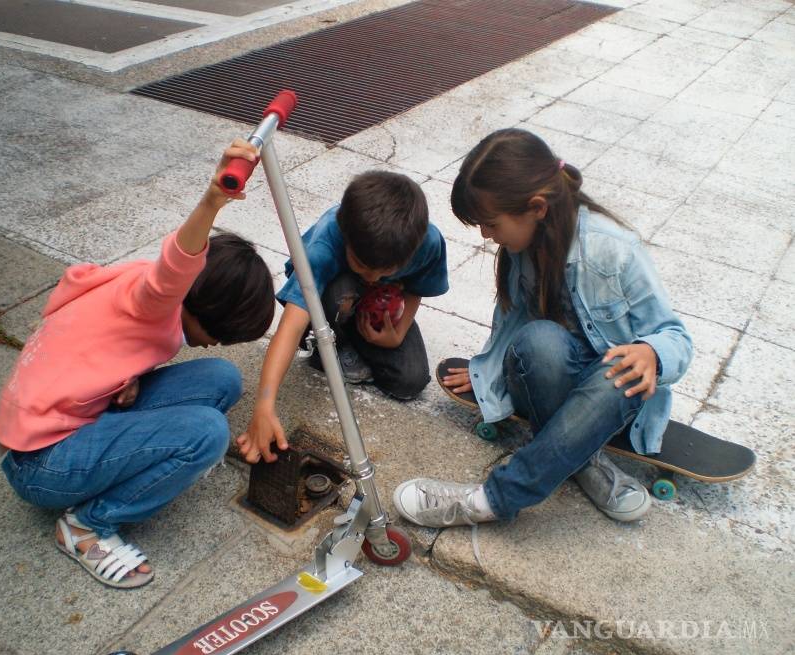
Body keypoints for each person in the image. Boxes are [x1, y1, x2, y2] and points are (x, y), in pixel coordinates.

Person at [0, 140, 275, 588]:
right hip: (42, 465)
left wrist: (127, 377)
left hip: (68, 414)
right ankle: (87, 527)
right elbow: (177, 265)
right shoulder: (157, 297)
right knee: (206, 433)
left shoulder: (131, 284)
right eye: (217, 334)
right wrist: (212, 200)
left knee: (222, 378)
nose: (214, 343)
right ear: (193, 301)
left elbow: (88, 336)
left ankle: (154, 452)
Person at [394, 128, 693, 528]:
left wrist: (652, 353)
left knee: (618, 372)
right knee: (540, 341)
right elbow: (515, 324)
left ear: (536, 207)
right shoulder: (523, 247)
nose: (485, 234)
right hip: (553, 383)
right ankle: (582, 460)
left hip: (608, 397)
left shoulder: (614, 249)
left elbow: (677, 338)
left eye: (490, 224)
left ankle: (488, 500)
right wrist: (490, 370)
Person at [236, 171, 448, 464]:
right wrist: (264, 405)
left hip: (374, 305)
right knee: (341, 290)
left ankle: (348, 345)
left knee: (410, 380)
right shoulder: (324, 246)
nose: (372, 276)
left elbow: (418, 286)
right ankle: (330, 346)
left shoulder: (427, 242)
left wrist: (397, 333)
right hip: (332, 297)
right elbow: (292, 324)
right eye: (362, 264)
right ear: (344, 234)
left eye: (385, 270)